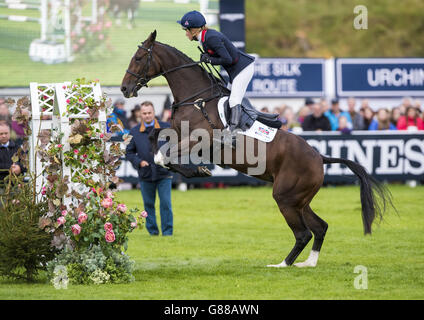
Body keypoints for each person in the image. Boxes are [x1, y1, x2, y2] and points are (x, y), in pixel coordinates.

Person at [177, 10, 255, 139]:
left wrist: (210, 60)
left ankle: (232, 133)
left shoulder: (211, 37)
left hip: (243, 69)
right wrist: (208, 56)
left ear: (195, 30)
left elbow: (228, 59)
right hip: (236, 71)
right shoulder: (204, 37)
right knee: (226, 98)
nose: (186, 33)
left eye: (187, 30)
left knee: (234, 100)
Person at [125, 101, 174, 236]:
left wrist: (167, 157)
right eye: (144, 113)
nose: (147, 116)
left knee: (165, 204)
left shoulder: (166, 128)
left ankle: (167, 232)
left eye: (149, 113)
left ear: (154, 112)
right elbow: (128, 152)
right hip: (145, 174)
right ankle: (152, 232)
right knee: (148, 205)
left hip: (164, 173)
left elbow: (174, 147)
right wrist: (139, 162)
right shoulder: (134, 132)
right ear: (140, 114)